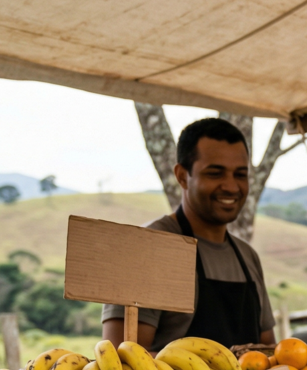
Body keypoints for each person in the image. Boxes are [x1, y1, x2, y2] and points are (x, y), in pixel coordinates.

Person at [102, 118, 276, 351]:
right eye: (215, 173)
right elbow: (119, 360)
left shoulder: (247, 257)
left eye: (240, 175)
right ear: (182, 176)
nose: (231, 186)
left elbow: (269, 352)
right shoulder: (147, 249)